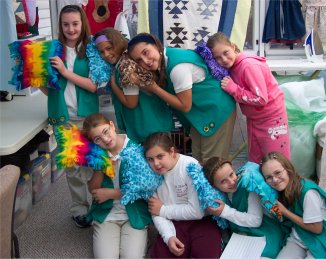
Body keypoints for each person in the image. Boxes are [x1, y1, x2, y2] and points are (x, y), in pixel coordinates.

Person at [128, 33, 236, 163]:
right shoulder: (165, 61)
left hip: (217, 111)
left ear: (156, 46)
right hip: (202, 115)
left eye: (146, 52)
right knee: (197, 162)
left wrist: (155, 88)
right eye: (138, 60)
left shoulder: (178, 68)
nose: (145, 61)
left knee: (212, 164)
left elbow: (185, 105)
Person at [39, 5, 98, 228]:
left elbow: (93, 86)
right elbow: (50, 90)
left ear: (82, 23)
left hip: (88, 117)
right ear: (60, 26)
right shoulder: (53, 51)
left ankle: (99, 204)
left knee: (93, 163)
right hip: (63, 117)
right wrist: (39, 80)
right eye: (66, 24)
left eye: (75, 23)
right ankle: (79, 208)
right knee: (72, 166)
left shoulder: (91, 49)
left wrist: (65, 72)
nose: (71, 29)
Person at [207, 32, 290, 164]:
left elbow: (261, 99)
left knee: (277, 163)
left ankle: (286, 185)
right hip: (255, 119)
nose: (224, 59)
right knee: (255, 162)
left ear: (233, 47)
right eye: (217, 58)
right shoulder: (232, 67)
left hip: (272, 119)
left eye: (226, 52)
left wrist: (234, 89)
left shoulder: (248, 66)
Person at [143, 132, 222, 258]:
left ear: (172, 151)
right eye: (150, 159)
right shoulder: (148, 174)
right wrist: (169, 237)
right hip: (174, 223)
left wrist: (163, 210)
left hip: (202, 222)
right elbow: (155, 211)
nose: (156, 164)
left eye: (160, 156)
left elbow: (197, 212)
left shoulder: (189, 166)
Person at [82, 113, 150, 258]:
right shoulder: (96, 155)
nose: (105, 140)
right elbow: (93, 190)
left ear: (112, 125)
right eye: (97, 139)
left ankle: (141, 237)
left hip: (134, 213)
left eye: (106, 131)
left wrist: (111, 193)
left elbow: (144, 190)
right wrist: (101, 167)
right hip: (107, 215)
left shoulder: (136, 150)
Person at [260, 152, 326, 258]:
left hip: (319, 239)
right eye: (269, 177)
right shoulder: (280, 190)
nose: (274, 179)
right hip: (298, 236)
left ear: (288, 169)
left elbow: (317, 228)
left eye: (278, 172)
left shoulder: (308, 193)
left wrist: (285, 212)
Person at [93, 28, 173, 143]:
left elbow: (131, 103)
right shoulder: (122, 64)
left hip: (149, 129)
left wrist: (114, 85)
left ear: (118, 43)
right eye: (101, 51)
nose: (106, 54)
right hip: (149, 127)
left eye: (109, 48)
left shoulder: (126, 67)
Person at [203, 157, 286, 258]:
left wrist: (225, 211)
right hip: (244, 236)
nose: (231, 182)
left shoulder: (247, 185)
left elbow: (256, 221)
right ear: (214, 186)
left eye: (231, 174)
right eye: (223, 181)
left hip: (265, 232)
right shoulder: (220, 196)